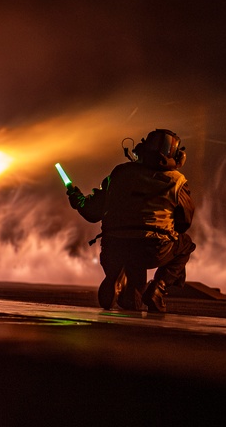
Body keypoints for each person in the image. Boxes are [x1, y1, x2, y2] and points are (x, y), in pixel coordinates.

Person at [66, 128, 196, 313]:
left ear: (141, 148)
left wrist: (77, 198)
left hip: (114, 247)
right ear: (176, 155)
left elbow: (92, 212)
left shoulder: (120, 172)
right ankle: (158, 288)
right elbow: (185, 222)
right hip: (153, 248)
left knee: (132, 296)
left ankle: (114, 275)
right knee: (185, 245)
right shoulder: (177, 181)